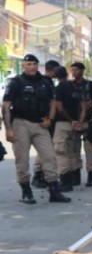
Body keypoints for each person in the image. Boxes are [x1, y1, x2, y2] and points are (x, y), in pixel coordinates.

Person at [2, 54, 70, 204]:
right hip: (21, 123)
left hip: (41, 124)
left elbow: (53, 102)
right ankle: (26, 192)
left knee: (50, 157)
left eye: (34, 64)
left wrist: (50, 120)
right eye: (28, 64)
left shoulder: (46, 82)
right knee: (22, 159)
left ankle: (54, 191)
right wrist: (8, 129)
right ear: (24, 65)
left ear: (38, 65)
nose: (31, 67)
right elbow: (6, 105)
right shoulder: (16, 83)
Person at [51, 66, 85, 192]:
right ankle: (73, 178)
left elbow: (59, 107)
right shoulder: (75, 86)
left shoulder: (59, 88)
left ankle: (65, 182)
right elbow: (83, 106)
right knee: (72, 151)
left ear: (56, 75)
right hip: (75, 125)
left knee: (60, 152)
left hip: (63, 123)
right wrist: (79, 121)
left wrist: (70, 120)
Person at [30, 58, 60, 189]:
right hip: (44, 120)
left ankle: (41, 175)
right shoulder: (45, 83)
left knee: (46, 149)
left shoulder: (45, 82)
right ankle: (38, 175)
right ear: (53, 70)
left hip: (45, 119)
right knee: (44, 149)